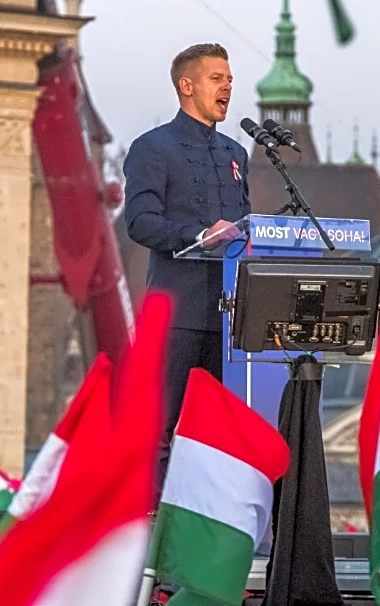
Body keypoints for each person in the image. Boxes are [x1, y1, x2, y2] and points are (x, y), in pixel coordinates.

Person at [123, 43, 251, 497]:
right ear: (187, 85)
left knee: (222, 434)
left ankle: (214, 521)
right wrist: (198, 235)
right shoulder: (152, 148)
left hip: (230, 315)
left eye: (230, 79)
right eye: (217, 78)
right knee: (158, 430)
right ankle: (151, 526)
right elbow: (140, 222)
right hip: (176, 312)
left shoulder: (236, 152)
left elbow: (244, 222)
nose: (228, 86)